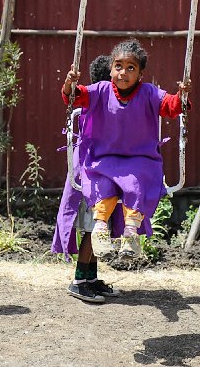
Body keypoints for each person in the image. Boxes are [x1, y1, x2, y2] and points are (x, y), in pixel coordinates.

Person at [61, 38, 191, 260]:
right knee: (102, 183)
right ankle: (100, 232)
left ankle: (130, 235)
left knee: (137, 183)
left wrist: (182, 95)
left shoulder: (150, 93)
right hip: (104, 159)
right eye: (118, 66)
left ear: (140, 74)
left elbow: (171, 107)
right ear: (111, 69)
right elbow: (75, 96)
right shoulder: (100, 90)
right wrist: (69, 84)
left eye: (131, 68)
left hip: (140, 159)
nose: (123, 72)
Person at [53, 54, 122, 303]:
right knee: (94, 226)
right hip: (91, 175)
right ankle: (79, 280)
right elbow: (70, 96)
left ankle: (90, 277)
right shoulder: (94, 106)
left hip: (102, 173)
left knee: (99, 227)